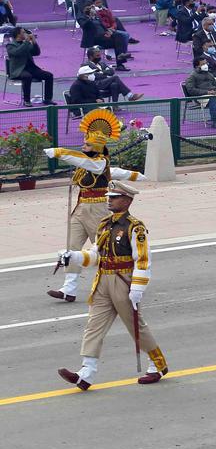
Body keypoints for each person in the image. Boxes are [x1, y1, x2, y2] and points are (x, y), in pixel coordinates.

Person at [56, 181, 169, 390]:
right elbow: (95, 255)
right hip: (102, 281)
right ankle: (86, 373)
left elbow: (143, 259)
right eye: (109, 196)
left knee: (135, 327)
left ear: (127, 200)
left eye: (114, 197)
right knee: (93, 326)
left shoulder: (135, 227)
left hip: (123, 280)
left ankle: (158, 363)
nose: (109, 200)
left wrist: (137, 287)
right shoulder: (104, 224)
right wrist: (74, 257)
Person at [44, 110, 141, 303]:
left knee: (106, 249)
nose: (83, 146)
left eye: (87, 144)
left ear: (96, 146)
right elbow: (92, 167)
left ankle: (123, 282)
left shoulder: (99, 163)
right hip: (81, 209)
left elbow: (99, 167)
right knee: (71, 247)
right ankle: (69, 289)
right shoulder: (86, 165)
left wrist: (60, 153)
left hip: (99, 209)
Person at [6, 27, 55, 106]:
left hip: (31, 68)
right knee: (27, 76)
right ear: (18, 34)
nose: (26, 34)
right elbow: (17, 53)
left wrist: (34, 42)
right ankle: (27, 100)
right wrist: (27, 42)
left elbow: (36, 53)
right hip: (18, 70)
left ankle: (48, 99)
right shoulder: (10, 45)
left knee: (49, 75)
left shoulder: (26, 43)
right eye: (23, 32)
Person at [183, 56, 216, 128]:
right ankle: (215, 122)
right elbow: (191, 90)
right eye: (203, 64)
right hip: (201, 97)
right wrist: (207, 92)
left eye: (206, 63)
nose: (206, 65)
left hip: (214, 94)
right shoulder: (192, 76)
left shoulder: (209, 74)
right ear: (197, 66)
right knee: (212, 99)